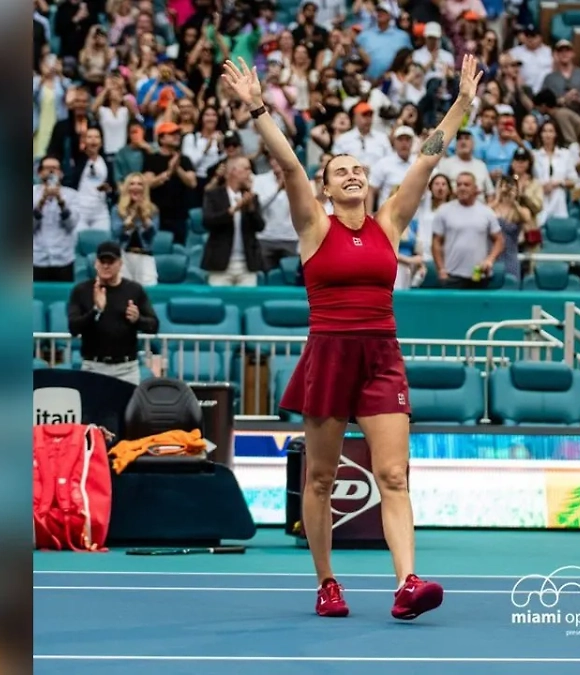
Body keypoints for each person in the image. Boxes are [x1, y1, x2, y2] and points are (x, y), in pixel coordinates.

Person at [220, 53, 482, 619]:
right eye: (341, 171)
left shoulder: (389, 223)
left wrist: (461, 105)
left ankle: (407, 583)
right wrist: (259, 108)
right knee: (320, 479)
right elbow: (290, 165)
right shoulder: (314, 225)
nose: (353, 175)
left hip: (381, 358)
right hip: (330, 357)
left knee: (394, 474)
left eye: (358, 169)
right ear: (325, 187)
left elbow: (427, 160)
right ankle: (327, 582)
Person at [66, 241, 160, 385]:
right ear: (96, 263)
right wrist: (96, 310)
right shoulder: (81, 291)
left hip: (127, 370)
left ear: (120, 264)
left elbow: (154, 325)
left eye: (110, 262)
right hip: (93, 367)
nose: (106, 266)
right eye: (102, 261)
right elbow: (73, 327)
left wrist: (137, 319)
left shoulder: (134, 290)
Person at [431, 172, 504, 288]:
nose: (462, 188)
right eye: (459, 184)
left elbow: (499, 240)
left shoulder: (487, 212)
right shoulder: (444, 211)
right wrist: (441, 269)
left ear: (475, 189)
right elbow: (436, 242)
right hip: (452, 275)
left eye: (466, 184)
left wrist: (490, 260)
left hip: (479, 275)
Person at [201, 156, 265, 286]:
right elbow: (207, 222)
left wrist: (251, 208)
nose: (250, 173)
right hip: (220, 263)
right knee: (218, 298)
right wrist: (233, 210)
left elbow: (260, 227)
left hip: (247, 265)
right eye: (246, 169)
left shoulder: (252, 197)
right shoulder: (213, 195)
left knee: (248, 298)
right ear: (234, 171)